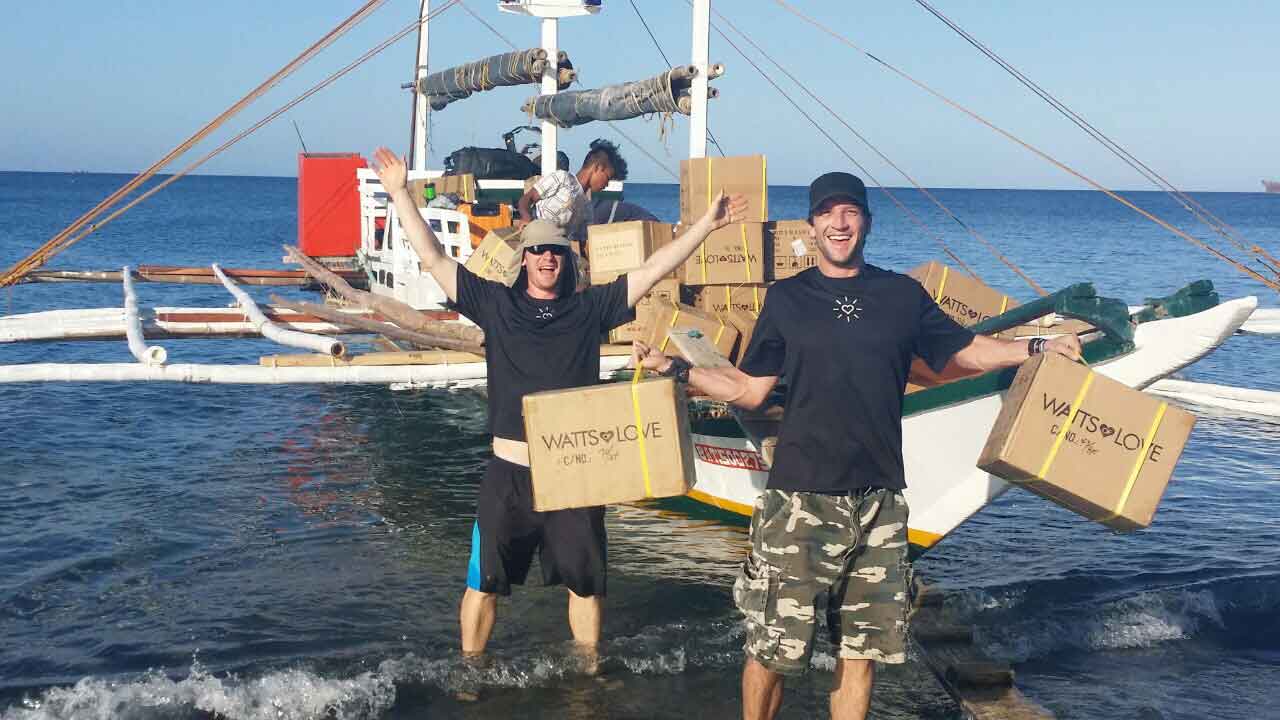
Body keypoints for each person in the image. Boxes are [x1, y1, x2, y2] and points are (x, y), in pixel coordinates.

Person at [633, 171, 1082, 720]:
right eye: (828, 213)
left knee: (862, 652)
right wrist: (677, 370)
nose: (839, 223)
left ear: (866, 221)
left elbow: (965, 353)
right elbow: (748, 390)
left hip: (880, 502)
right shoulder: (787, 299)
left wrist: (1036, 347)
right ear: (814, 225)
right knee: (773, 649)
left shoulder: (900, 295)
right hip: (801, 499)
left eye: (850, 212)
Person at [369, 146, 744, 664]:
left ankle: (588, 676)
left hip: (575, 470)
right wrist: (398, 194)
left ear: (567, 260)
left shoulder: (589, 310)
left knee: (586, 584)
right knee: (484, 583)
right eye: (539, 251)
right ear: (524, 258)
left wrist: (706, 225)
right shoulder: (496, 306)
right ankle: (471, 672)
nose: (548, 259)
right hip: (509, 470)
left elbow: (655, 268)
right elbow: (433, 258)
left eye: (557, 253)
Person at [516, 139, 628, 243]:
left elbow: (582, 242)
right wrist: (526, 218)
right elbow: (527, 198)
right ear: (597, 168)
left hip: (556, 247)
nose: (607, 184)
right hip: (535, 236)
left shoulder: (587, 208)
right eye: (607, 178)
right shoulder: (562, 178)